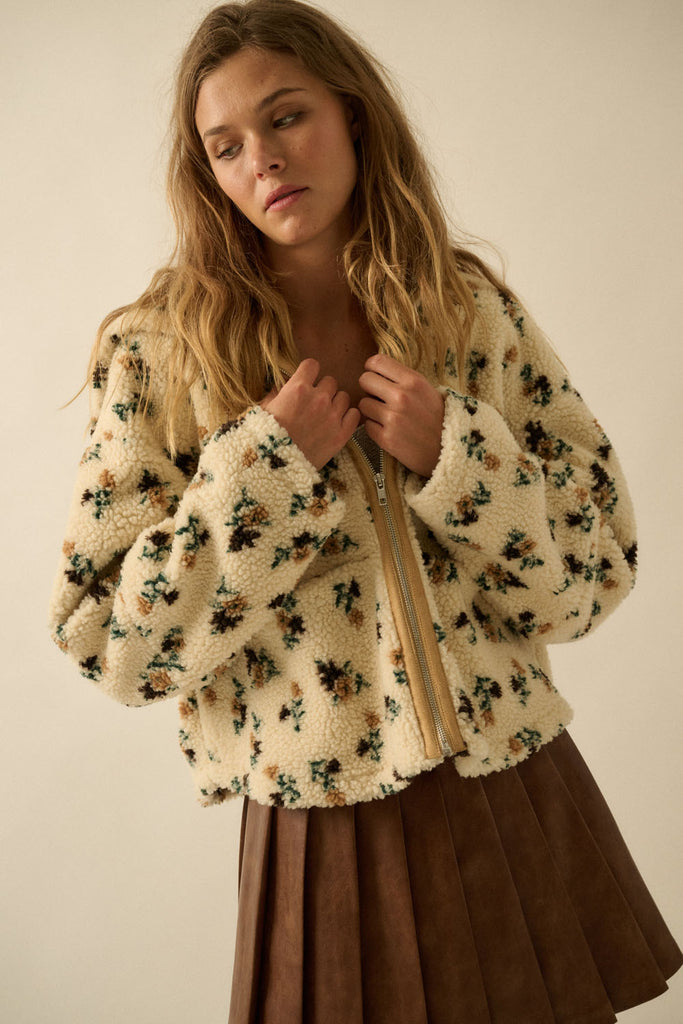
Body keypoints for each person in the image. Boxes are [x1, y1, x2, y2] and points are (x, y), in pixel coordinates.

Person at [48, 1, 681, 1021]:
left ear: (351, 113)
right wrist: (261, 475)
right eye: (225, 145)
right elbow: (110, 646)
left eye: (285, 116)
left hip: (514, 788)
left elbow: (597, 566)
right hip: (320, 834)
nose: (262, 159)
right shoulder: (161, 354)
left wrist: (461, 460)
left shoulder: (465, 312)